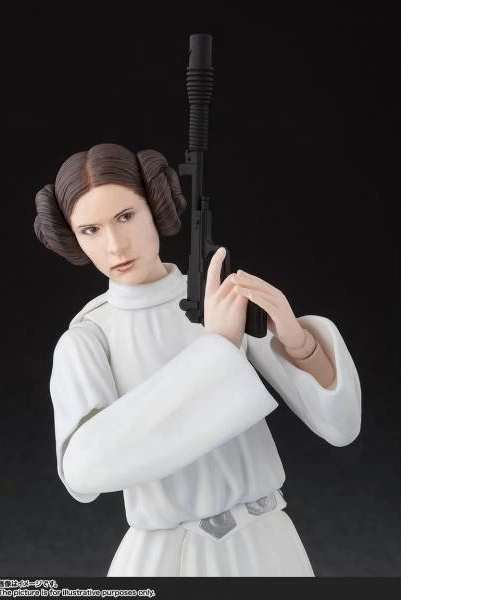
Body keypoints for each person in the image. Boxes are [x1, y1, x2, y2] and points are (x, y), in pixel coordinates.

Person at [33, 142, 362, 576]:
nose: (114, 245)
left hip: (265, 540)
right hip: (169, 553)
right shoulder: (90, 338)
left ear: (155, 208)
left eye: (126, 216)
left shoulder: (216, 300)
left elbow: (339, 425)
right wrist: (217, 350)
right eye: (90, 230)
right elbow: (83, 470)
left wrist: (300, 343)